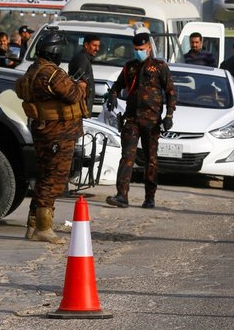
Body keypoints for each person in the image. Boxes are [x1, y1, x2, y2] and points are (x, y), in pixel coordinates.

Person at [13, 28, 87, 244]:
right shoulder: (51, 73)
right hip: (58, 133)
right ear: (55, 51)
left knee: (45, 175)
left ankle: (32, 225)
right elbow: (72, 95)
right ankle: (43, 228)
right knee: (53, 178)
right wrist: (81, 86)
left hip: (44, 131)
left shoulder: (33, 71)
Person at [105, 32, 176, 209]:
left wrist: (169, 115)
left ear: (149, 48)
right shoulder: (129, 67)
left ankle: (149, 197)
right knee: (127, 157)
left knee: (151, 160)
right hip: (131, 119)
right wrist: (113, 95)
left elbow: (171, 92)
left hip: (151, 122)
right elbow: (117, 85)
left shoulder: (160, 67)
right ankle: (122, 195)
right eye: (136, 49)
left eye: (141, 49)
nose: (138, 52)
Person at [68, 34, 100, 116]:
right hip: (80, 108)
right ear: (86, 45)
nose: (97, 49)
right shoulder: (81, 59)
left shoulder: (86, 58)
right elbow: (80, 83)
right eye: (94, 45)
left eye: (98, 46)